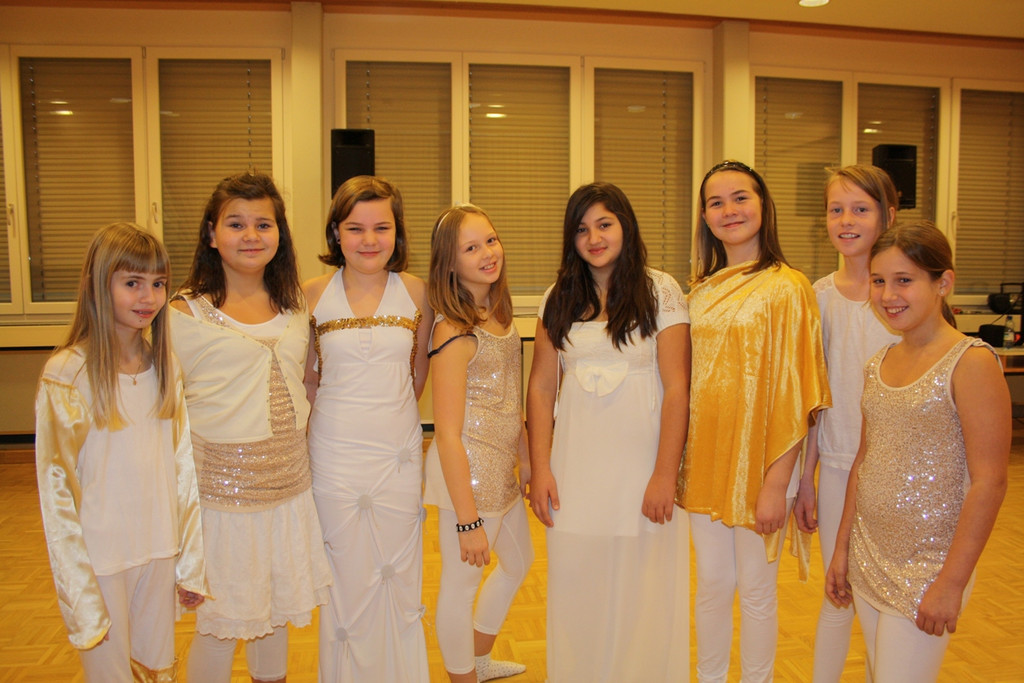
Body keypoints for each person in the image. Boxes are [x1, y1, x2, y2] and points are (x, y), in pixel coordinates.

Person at [825, 221, 1010, 683]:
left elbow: (990, 482)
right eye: (879, 280)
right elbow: (864, 463)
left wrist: (952, 582)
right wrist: (842, 549)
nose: (888, 295)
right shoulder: (879, 363)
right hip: (869, 552)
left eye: (904, 280)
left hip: (928, 566)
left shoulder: (972, 362)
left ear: (942, 283)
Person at [527, 182, 691, 682]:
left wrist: (665, 474)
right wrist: (540, 468)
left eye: (604, 224)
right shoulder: (557, 297)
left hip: (642, 469)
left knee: (644, 590)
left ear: (626, 225)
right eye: (582, 229)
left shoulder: (661, 290)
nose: (594, 238)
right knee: (578, 582)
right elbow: (540, 388)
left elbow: (678, 388)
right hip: (575, 469)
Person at [171, 172, 331, 683]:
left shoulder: (295, 308)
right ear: (211, 233)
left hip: (288, 491)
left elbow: (308, 384)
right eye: (235, 224)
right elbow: (164, 415)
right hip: (221, 501)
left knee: (275, 616)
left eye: (263, 224)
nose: (251, 235)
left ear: (279, 233)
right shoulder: (182, 314)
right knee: (219, 627)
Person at [676, 160, 830, 683]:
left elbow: (798, 394)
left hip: (764, 465)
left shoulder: (789, 287)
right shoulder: (698, 291)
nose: (729, 210)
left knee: (758, 591)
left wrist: (777, 485)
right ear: (704, 217)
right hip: (705, 460)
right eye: (716, 202)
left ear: (763, 205)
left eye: (740, 197)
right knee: (713, 586)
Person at [35, 222, 207, 682]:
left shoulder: (165, 367)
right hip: (102, 560)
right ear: (99, 284)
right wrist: (79, 591)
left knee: (157, 671)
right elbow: (56, 491)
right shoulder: (67, 373)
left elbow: (183, 470)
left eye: (158, 283)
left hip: (158, 549)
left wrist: (190, 563)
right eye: (132, 283)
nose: (148, 297)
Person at [303, 175, 433, 682]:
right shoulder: (310, 293)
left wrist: (390, 426)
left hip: (396, 457)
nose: (369, 240)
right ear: (336, 232)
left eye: (382, 227)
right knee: (344, 579)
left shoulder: (418, 292)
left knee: (396, 575)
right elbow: (309, 380)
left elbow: (417, 373)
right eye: (355, 228)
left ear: (397, 232)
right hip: (333, 456)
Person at [792, 164, 902, 682]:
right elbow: (814, 400)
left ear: (888, 216)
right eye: (836, 210)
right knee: (839, 592)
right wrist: (806, 479)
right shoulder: (817, 298)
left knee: (888, 600)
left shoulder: (902, 295)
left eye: (860, 209)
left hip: (896, 471)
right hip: (837, 466)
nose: (846, 220)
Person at [422, 204, 534, 683]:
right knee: (460, 584)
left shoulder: (498, 312)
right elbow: (446, 432)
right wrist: (467, 521)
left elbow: (511, 398)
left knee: (520, 563)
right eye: (471, 248)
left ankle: (479, 660)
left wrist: (526, 458)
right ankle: (461, 676)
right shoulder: (453, 330)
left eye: (490, 239)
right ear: (450, 263)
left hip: (501, 471)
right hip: (468, 477)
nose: (487, 253)